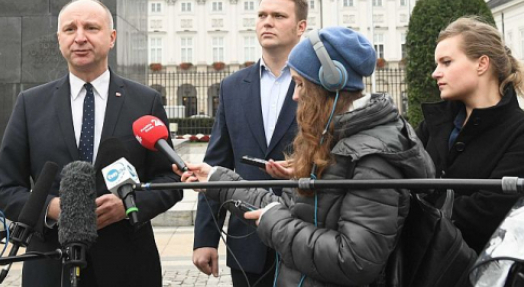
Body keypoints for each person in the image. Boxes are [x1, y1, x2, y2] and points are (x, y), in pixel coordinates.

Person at [180, 27, 435, 287]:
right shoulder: (331, 138)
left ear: (331, 81)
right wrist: (217, 180)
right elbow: (288, 210)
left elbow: (354, 260)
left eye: (300, 84)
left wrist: (273, 222)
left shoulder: (373, 157)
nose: (295, 95)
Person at [0, 0, 182, 287]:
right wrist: (52, 207)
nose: (80, 37)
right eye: (70, 29)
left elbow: (170, 179)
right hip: (50, 264)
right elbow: (4, 191)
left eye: (91, 28)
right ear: (59, 39)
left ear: (111, 37)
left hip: (128, 265)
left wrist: (128, 207)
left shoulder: (145, 101)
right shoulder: (31, 104)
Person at [193, 0, 308, 287]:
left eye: (278, 15)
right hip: (247, 239)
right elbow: (217, 164)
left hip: (304, 236)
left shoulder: (319, 85)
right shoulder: (232, 87)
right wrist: (205, 238)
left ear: (301, 27)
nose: (266, 22)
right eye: (262, 15)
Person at [416, 16, 524, 254]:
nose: (435, 73)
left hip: (480, 268)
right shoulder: (432, 125)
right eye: (437, 64)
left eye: (446, 62)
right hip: (418, 266)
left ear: (482, 64)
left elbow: (490, 213)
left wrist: (419, 212)